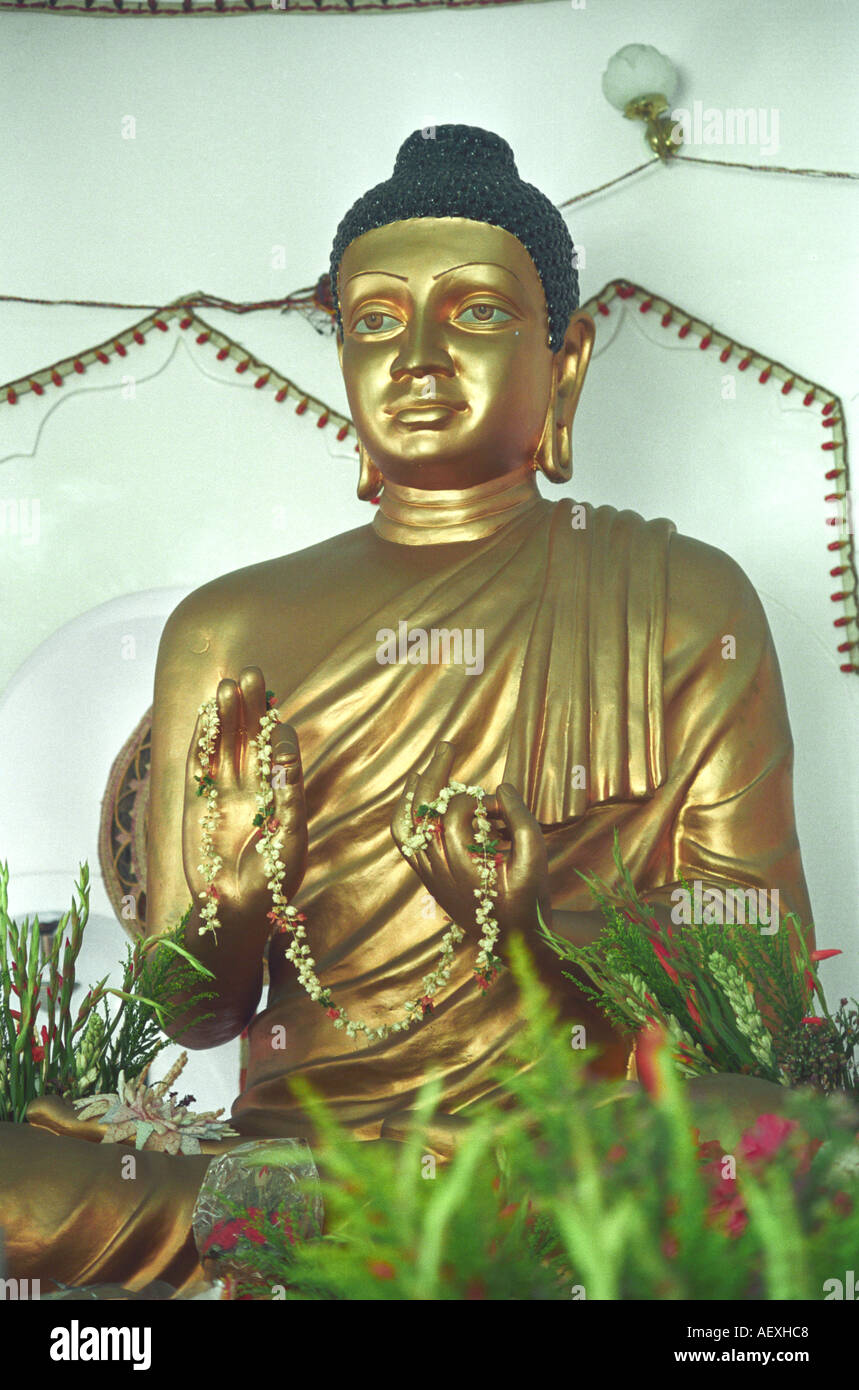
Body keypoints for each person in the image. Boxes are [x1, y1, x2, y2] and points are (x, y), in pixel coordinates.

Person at [0, 124, 814, 1294]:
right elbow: (191, 1017)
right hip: (290, 1166)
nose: (418, 357)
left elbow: (761, 997)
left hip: (563, 1153)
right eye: (375, 320)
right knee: (24, 1184)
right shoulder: (226, 629)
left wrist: (534, 937)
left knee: (766, 1145)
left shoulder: (679, 599)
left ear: (566, 359)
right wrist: (231, 893)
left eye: (476, 312)